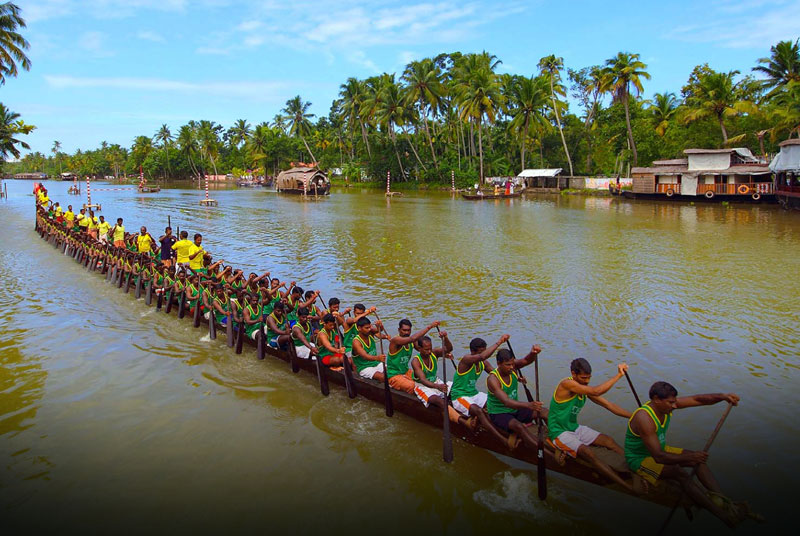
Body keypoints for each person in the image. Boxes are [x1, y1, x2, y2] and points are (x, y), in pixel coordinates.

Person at [625, 382, 744, 525]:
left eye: (675, 402)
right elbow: (658, 457)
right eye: (671, 403)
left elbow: (697, 399)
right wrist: (690, 457)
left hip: (659, 449)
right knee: (678, 472)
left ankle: (725, 502)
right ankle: (722, 516)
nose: (675, 406)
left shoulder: (666, 406)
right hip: (639, 459)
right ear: (656, 399)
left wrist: (723, 397)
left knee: (698, 460)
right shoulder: (644, 418)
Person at [548, 358, 636, 491]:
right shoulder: (566, 384)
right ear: (573, 374)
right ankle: (626, 485)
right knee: (587, 453)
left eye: (589, 378)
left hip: (574, 428)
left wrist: (634, 416)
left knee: (609, 441)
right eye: (583, 378)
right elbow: (596, 391)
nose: (587, 381)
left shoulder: (584, 389)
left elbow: (609, 405)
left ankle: (635, 468)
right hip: (559, 432)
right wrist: (618, 375)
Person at [449, 335, 509, 445]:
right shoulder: (466, 360)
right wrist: (499, 342)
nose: (484, 355)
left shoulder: (483, 362)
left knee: (497, 402)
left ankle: (505, 424)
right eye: (481, 352)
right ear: (472, 351)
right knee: (479, 411)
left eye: (484, 351)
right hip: (459, 396)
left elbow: (497, 373)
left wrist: (515, 376)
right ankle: (502, 439)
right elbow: (482, 357)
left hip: (474, 394)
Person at [486, 346, 546, 449]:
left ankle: (556, 440)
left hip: (515, 409)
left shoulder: (513, 368)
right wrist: (529, 405)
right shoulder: (493, 379)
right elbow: (506, 401)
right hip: (499, 413)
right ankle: (541, 449)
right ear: (499, 364)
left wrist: (533, 353)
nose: (511, 367)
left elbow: (526, 360)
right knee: (518, 426)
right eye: (507, 365)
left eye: (513, 364)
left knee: (545, 412)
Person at [385, 319, 440, 393]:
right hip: (393, 375)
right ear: (399, 330)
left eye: (408, 330)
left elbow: (423, 350)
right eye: (404, 330)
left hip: (406, 371)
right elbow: (413, 338)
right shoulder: (395, 340)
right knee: (413, 386)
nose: (406, 333)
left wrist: (443, 352)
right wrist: (429, 327)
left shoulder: (412, 342)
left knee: (424, 379)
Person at [350, 316, 391, 381]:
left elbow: (379, 330)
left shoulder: (370, 332)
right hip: (364, 367)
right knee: (383, 377)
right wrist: (377, 358)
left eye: (370, 327)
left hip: (376, 363)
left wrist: (379, 325)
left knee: (392, 372)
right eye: (366, 328)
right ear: (359, 328)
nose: (369, 329)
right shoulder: (356, 342)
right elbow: (365, 356)